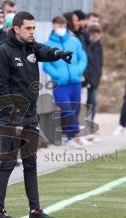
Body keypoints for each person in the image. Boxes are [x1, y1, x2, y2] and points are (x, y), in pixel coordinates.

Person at [0, 11, 72, 218]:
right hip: (12, 117)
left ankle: (35, 210)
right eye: (28, 28)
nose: (32, 31)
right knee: (7, 164)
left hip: (30, 117)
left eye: (34, 28)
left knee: (30, 164)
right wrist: (11, 114)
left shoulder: (31, 47)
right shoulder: (4, 52)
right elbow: (1, 86)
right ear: (16, 28)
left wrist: (59, 53)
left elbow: (44, 50)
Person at [43, 16, 89, 148]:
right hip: (60, 84)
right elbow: (46, 65)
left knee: (75, 109)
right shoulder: (48, 44)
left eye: (63, 26)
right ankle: (76, 134)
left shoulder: (74, 41)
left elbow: (82, 57)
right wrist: (56, 74)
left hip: (75, 82)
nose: (61, 28)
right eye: (59, 26)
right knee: (66, 108)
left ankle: (70, 138)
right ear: (53, 26)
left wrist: (78, 70)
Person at [84, 24, 103, 130]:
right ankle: (87, 127)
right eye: (93, 32)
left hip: (94, 81)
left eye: (97, 32)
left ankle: (89, 126)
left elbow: (99, 65)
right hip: (87, 81)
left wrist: (97, 78)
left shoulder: (98, 46)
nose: (95, 35)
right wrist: (87, 79)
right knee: (89, 104)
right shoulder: (87, 46)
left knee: (93, 104)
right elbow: (87, 65)